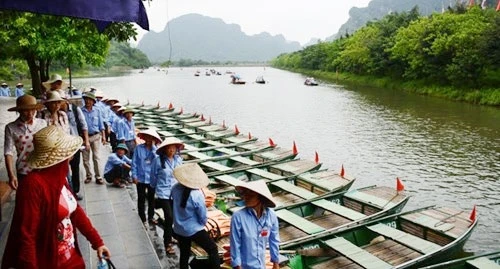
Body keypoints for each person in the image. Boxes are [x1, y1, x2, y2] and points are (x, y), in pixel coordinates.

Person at [1, 125, 111, 268]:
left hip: (72, 258)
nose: (72, 156)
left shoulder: (61, 177)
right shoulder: (32, 185)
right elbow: (27, 235)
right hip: (50, 261)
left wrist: (97, 242)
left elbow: (75, 211)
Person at [171, 163, 220, 269]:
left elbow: (173, 204)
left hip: (179, 228)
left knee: (184, 253)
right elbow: (202, 215)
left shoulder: (175, 188)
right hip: (193, 229)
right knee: (213, 249)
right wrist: (202, 223)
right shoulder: (196, 194)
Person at [230, 180, 280, 269]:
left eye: (251, 195)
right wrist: (237, 266)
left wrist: (275, 263)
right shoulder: (238, 216)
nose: (246, 197)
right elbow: (235, 244)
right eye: (245, 194)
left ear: (260, 197)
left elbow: (274, 241)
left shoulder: (271, 216)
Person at [4, 95, 47, 189]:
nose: (30, 113)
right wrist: (11, 175)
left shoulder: (42, 123)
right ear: (19, 111)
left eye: (33, 110)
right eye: (26, 110)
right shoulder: (10, 128)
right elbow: (8, 152)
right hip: (24, 170)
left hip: (43, 167)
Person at [150, 137, 184, 254]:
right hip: (163, 192)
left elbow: (181, 174)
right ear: (164, 149)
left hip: (175, 192)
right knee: (169, 217)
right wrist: (153, 188)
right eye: (169, 148)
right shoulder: (158, 161)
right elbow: (153, 176)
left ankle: (170, 236)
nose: (171, 150)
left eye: (173, 148)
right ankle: (167, 243)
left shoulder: (178, 160)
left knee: (174, 217)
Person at [61, 96, 90, 200]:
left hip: (75, 143)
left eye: (61, 102)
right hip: (63, 146)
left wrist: (86, 141)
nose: (59, 105)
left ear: (66, 101)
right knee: (64, 170)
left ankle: (75, 191)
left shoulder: (74, 109)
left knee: (75, 168)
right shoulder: (57, 113)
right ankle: (67, 191)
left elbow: (83, 125)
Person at [131, 129, 162, 225]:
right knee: (141, 198)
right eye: (147, 137)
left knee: (151, 198)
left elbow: (158, 162)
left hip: (152, 178)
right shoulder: (138, 148)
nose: (149, 139)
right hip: (140, 177)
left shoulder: (156, 150)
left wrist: (153, 149)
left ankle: (151, 217)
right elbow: (134, 163)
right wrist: (134, 175)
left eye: (151, 138)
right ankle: (142, 217)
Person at [81, 92, 106, 185]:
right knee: (85, 158)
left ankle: (98, 176)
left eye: (89, 100)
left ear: (93, 101)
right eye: (86, 99)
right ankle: (88, 175)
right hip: (84, 137)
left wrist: (103, 136)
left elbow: (101, 125)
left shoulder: (97, 111)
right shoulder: (81, 111)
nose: (87, 101)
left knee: (96, 157)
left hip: (95, 136)